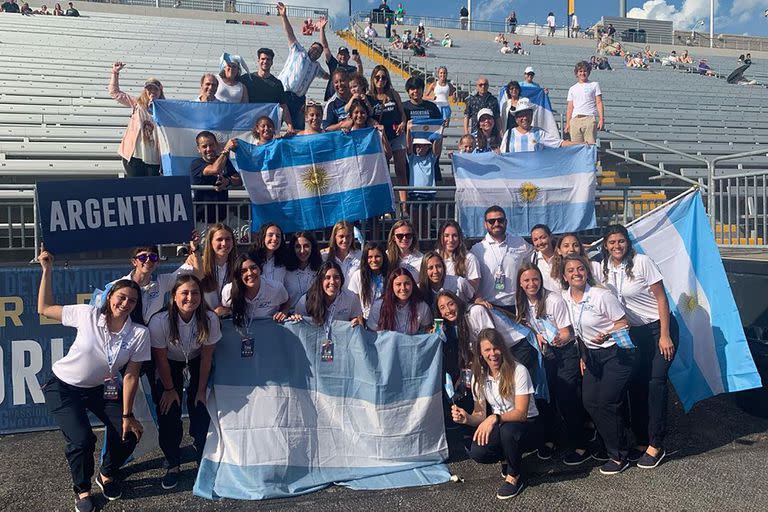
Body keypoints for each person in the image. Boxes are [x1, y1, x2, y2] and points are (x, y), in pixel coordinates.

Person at [38, 248, 148, 512]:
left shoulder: (139, 334)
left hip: (102, 389)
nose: (125, 304)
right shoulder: (87, 315)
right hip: (64, 387)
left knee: (129, 433)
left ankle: (107, 474)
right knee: (82, 440)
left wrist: (127, 414)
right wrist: (47, 269)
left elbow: (131, 374)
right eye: (122, 297)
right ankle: (82, 490)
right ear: (110, 297)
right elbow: (44, 308)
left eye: (132, 301)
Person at [598, 225, 677, 469]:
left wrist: (664, 335)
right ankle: (642, 440)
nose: (617, 246)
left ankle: (657, 443)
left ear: (628, 242)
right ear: (605, 245)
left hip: (658, 329)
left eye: (621, 241)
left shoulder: (642, 262)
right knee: (636, 385)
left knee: (656, 383)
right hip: (633, 333)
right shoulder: (604, 268)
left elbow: (662, 298)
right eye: (612, 242)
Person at [561, 254, 634, 475]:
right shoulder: (565, 298)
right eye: (571, 270)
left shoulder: (601, 295)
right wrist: (583, 355)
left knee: (607, 401)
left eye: (580, 269)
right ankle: (607, 443)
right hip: (592, 356)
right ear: (564, 276)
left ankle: (619, 454)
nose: (576, 273)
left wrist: (606, 333)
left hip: (616, 353)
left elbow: (624, 322)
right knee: (590, 401)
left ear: (587, 272)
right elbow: (577, 332)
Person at [148, 275, 221, 490]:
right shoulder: (159, 321)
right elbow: (160, 359)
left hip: (197, 362)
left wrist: (200, 391)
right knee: (168, 411)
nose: (190, 297)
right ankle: (172, 462)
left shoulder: (209, 318)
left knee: (200, 408)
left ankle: (201, 455)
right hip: (170, 364)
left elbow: (207, 357)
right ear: (174, 296)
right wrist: (170, 389)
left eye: (195, 293)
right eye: (185, 293)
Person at [515, 263, 590, 465]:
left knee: (567, 398)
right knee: (545, 399)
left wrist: (559, 339)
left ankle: (581, 445)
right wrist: (537, 334)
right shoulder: (521, 302)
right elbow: (527, 324)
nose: (532, 284)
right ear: (520, 284)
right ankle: (552, 439)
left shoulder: (553, 300)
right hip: (545, 355)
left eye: (535, 279)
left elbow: (568, 331)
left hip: (565, 353)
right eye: (527, 280)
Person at [450, 328, 537, 500]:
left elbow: (521, 413)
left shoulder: (518, 370)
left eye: (496, 348)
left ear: (503, 348)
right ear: (480, 353)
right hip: (502, 423)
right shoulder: (479, 375)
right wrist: (466, 418)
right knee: (477, 451)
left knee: (508, 431)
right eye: (487, 350)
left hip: (528, 424)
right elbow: (480, 415)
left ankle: (514, 476)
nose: (493, 354)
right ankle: (508, 457)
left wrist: (494, 418)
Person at [108, 244, 196, 324]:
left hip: (153, 335)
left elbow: (192, 268)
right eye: (142, 257)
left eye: (153, 257)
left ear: (157, 262)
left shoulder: (162, 281)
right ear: (134, 262)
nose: (148, 260)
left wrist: (195, 249)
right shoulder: (117, 286)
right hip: (127, 336)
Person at [276, 2, 330, 131]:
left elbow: (327, 76)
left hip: (299, 100)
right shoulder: (298, 51)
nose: (316, 52)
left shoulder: (316, 67)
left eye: (318, 52)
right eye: (314, 49)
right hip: (284, 93)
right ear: (310, 48)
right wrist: (284, 16)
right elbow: (289, 33)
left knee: (298, 128)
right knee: (275, 124)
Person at [470, 205, 533, 314]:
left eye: (500, 220)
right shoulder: (477, 249)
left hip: (517, 306)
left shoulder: (519, 243)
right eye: (491, 221)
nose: (496, 224)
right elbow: (470, 279)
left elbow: (536, 258)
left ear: (506, 222)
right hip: (489, 307)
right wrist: (476, 298)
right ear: (485, 224)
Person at [109, 62, 163, 177]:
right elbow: (115, 93)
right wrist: (115, 72)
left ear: (160, 91)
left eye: (155, 89)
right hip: (134, 155)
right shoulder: (136, 103)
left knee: (152, 189)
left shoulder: (165, 109)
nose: (152, 91)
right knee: (136, 188)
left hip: (154, 158)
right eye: (149, 89)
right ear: (145, 90)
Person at [370, 65, 408, 204]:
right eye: (378, 77)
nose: (381, 80)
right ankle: (386, 204)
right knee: (383, 172)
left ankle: (404, 206)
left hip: (396, 135)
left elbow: (403, 114)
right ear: (373, 79)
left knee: (400, 170)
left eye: (384, 77)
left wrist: (403, 124)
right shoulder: (370, 97)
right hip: (380, 138)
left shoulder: (393, 94)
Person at [222, 252, 290, 322]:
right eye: (243, 271)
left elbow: (286, 303)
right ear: (238, 275)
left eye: (253, 268)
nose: (250, 273)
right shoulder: (229, 290)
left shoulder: (276, 288)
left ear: (260, 269)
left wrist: (284, 312)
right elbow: (226, 310)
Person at [190, 132, 241, 224]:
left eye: (211, 145)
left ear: (216, 145)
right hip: (202, 222)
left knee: (248, 233)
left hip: (224, 220)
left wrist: (227, 181)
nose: (209, 149)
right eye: (204, 146)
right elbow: (215, 169)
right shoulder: (196, 164)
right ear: (198, 149)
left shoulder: (224, 160)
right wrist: (226, 150)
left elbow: (238, 180)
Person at [239, 47, 294, 132]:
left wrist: (290, 125)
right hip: (249, 125)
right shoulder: (247, 78)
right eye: (263, 59)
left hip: (267, 128)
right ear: (258, 60)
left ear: (272, 62)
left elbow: (283, 106)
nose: (265, 61)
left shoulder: (277, 83)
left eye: (268, 59)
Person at [294, 261, 364, 326]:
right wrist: (296, 318)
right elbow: (299, 327)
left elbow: (358, 323)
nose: (332, 282)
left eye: (336, 277)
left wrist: (356, 323)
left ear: (341, 280)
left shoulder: (351, 298)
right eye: (327, 277)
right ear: (320, 281)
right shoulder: (306, 300)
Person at [367, 268, 432, 333]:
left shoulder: (422, 306)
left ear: (412, 285)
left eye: (407, 283)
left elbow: (427, 331)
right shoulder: (379, 306)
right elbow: (371, 334)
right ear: (391, 286)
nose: (403, 288)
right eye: (398, 284)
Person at [500, 98, 572, 153]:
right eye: (521, 115)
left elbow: (560, 144)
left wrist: (581, 145)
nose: (525, 118)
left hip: (534, 172)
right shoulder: (509, 134)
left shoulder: (539, 133)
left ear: (532, 116)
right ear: (516, 118)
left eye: (527, 114)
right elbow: (502, 155)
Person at [197, 223, 237, 315]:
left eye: (228, 239)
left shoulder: (239, 266)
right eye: (219, 239)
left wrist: (228, 310)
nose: (224, 243)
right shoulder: (199, 267)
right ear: (210, 242)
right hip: (206, 321)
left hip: (231, 320)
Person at [318, 20, 363, 101]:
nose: (343, 56)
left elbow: (359, 76)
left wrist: (359, 63)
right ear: (337, 56)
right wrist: (321, 29)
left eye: (345, 54)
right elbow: (325, 46)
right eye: (341, 54)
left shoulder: (352, 69)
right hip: (331, 99)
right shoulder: (334, 64)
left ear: (349, 57)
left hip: (346, 99)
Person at [565, 60, 604, 145]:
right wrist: (568, 123)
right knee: (576, 148)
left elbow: (599, 102)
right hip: (575, 120)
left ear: (589, 72)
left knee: (589, 147)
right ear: (577, 73)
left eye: (585, 71)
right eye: (580, 71)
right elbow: (570, 107)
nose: (583, 73)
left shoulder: (594, 85)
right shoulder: (572, 88)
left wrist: (601, 119)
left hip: (589, 119)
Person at [348, 242, 390, 319]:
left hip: (386, 321)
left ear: (383, 257)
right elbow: (353, 304)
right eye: (370, 257)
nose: (374, 260)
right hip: (364, 321)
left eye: (377, 256)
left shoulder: (390, 275)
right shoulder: (358, 275)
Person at [283, 231, 322, 311]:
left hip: (314, 317)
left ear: (312, 247)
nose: (302, 251)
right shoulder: (284, 271)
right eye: (298, 246)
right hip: (290, 317)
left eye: (306, 246)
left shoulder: (320, 270)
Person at [436, 220, 480, 290]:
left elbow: (473, 288)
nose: (451, 240)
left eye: (454, 235)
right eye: (446, 235)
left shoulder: (469, 258)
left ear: (460, 238)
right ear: (440, 237)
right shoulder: (435, 257)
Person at [323, 220, 362, 285]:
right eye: (341, 236)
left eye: (348, 236)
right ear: (335, 237)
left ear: (352, 237)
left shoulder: (360, 256)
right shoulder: (325, 256)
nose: (345, 240)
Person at [529, 224, 560, 293]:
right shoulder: (534, 258)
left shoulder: (562, 255)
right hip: (546, 301)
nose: (540, 242)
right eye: (535, 240)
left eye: (543, 237)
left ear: (551, 237)